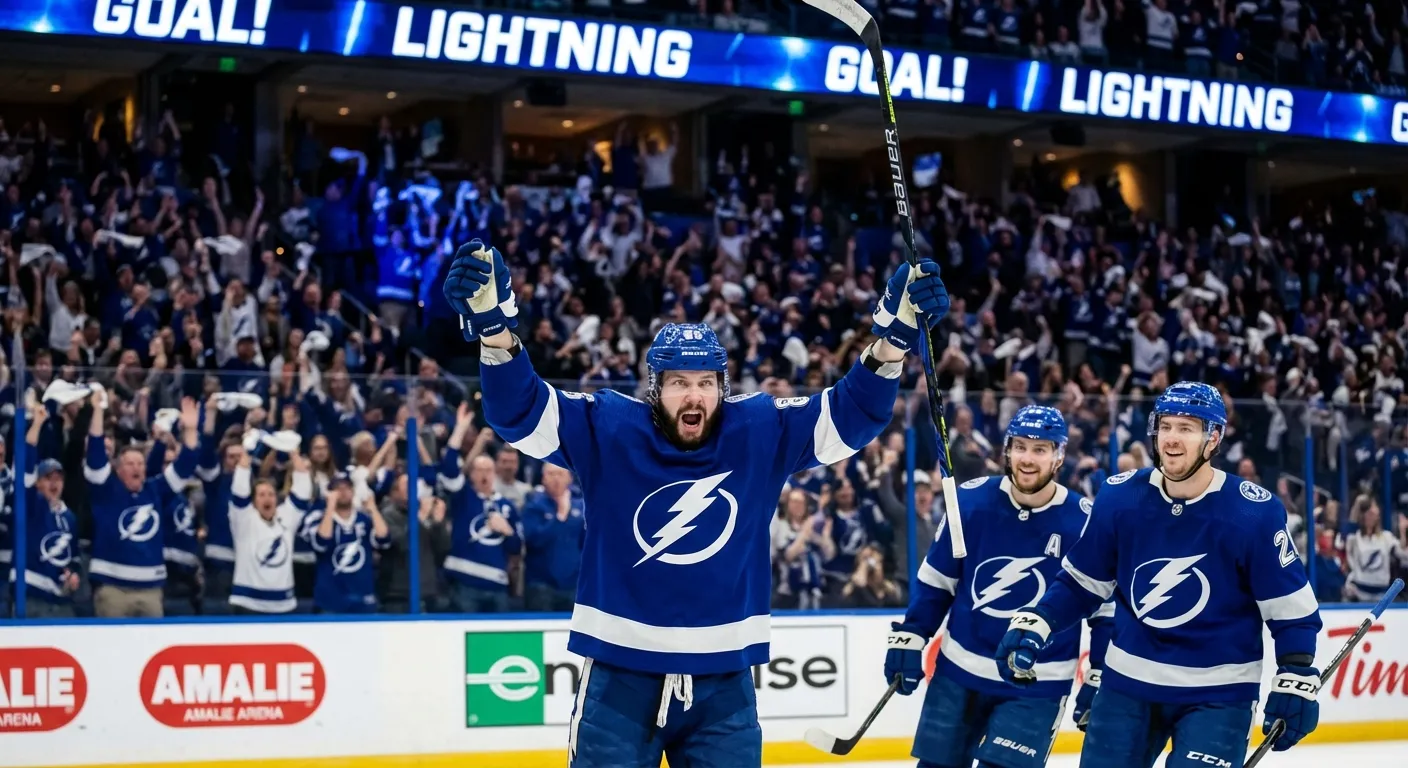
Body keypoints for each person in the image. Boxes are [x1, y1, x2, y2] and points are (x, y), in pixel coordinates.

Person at [442, 237, 949, 767]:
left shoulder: (758, 430)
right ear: (654, 389)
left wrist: (893, 340)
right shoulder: (610, 429)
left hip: (723, 688)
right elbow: (518, 410)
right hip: (618, 681)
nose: (694, 396)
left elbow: (852, 415)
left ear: (721, 387)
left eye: (706, 382)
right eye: (679, 383)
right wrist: (494, 330)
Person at [994, 382, 1323, 767]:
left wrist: (1296, 672)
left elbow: (1291, 610)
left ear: (1214, 438)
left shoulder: (1254, 513)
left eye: (1186, 428)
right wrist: (1041, 619)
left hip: (1219, 695)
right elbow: (1082, 583)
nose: (1171, 438)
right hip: (1126, 686)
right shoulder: (1119, 498)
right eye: (1165, 426)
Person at [885, 405, 1110, 768]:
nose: (1027, 458)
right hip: (959, 671)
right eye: (1020, 447)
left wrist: (1099, 672)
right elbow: (938, 582)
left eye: (1040, 449)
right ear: (1007, 450)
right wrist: (912, 633)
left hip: (1036, 681)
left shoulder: (1083, 522)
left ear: (1059, 455)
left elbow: (1105, 608)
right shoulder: (970, 502)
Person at [84, 388, 200, 618]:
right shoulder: (106, 489)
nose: (136, 468)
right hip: (113, 588)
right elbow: (96, 455)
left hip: (151, 589)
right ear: (118, 469)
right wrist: (97, 411)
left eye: (140, 463)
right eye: (130, 464)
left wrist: (190, 430)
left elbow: (185, 465)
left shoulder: (155, 490)